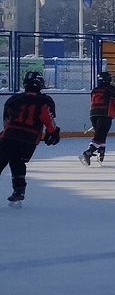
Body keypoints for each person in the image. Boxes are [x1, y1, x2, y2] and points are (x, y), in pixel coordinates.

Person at [2, 71, 60, 207]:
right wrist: (53, 133)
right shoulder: (45, 100)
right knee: (18, 161)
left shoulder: (14, 99)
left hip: (11, 135)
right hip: (30, 138)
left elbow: (7, 119)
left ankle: (18, 190)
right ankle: (19, 190)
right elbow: (47, 117)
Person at [81, 70, 115, 165]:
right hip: (105, 114)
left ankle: (101, 152)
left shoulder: (95, 90)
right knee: (100, 136)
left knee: (101, 135)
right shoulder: (112, 90)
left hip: (93, 114)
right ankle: (88, 152)